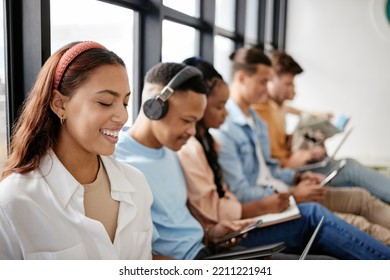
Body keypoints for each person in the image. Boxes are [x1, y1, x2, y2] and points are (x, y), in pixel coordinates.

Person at [178, 57, 390, 247]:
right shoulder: (216, 137)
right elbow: (236, 197)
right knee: (353, 216)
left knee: (359, 198)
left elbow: (268, 168)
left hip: (280, 193)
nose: (267, 87)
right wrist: (291, 194)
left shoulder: (252, 120)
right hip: (272, 201)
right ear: (242, 78)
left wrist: (297, 177)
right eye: (263, 81)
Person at [0, 41, 153, 260]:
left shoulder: (137, 184)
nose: (123, 116)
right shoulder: (13, 201)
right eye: (105, 102)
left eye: (125, 103)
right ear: (60, 104)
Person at [115, 62, 265, 260]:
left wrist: (210, 233)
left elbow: (176, 223)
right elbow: (131, 257)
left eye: (196, 121)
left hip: (206, 249)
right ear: (154, 108)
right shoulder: (119, 161)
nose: (193, 132)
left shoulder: (171, 151)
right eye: (187, 121)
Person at [252, 51, 390, 204]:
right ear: (272, 78)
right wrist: (292, 160)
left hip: (296, 163)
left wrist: (303, 146)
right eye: (288, 84)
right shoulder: (259, 111)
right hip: (290, 171)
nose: (292, 90)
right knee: (350, 168)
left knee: (352, 182)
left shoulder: (278, 106)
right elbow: (266, 166)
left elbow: (292, 112)